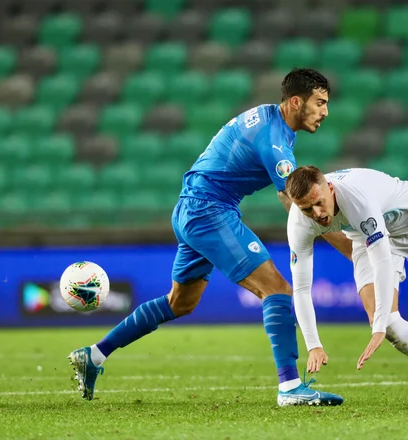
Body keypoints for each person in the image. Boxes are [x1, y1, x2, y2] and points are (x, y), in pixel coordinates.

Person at [68, 68, 349, 406]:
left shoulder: (270, 120)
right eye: (319, 103)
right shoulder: (275, 143)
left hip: (191, 207)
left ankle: (94, 356)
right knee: (276, 289)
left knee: (180, 302)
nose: (325, 112)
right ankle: (290, 388)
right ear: (294, 102)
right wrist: (348, 247)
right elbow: (299, 205)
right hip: (209, 210)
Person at [283, 165, 408, 407]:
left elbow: (381, 261)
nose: (316, 213)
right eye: (306, 208)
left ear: (330, 188)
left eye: (318, 203)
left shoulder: (355, 196)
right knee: (390, 321)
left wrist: (378, 328)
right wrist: (314, 345)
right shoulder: (299, 222)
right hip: (364, 234)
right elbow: (301, 288)